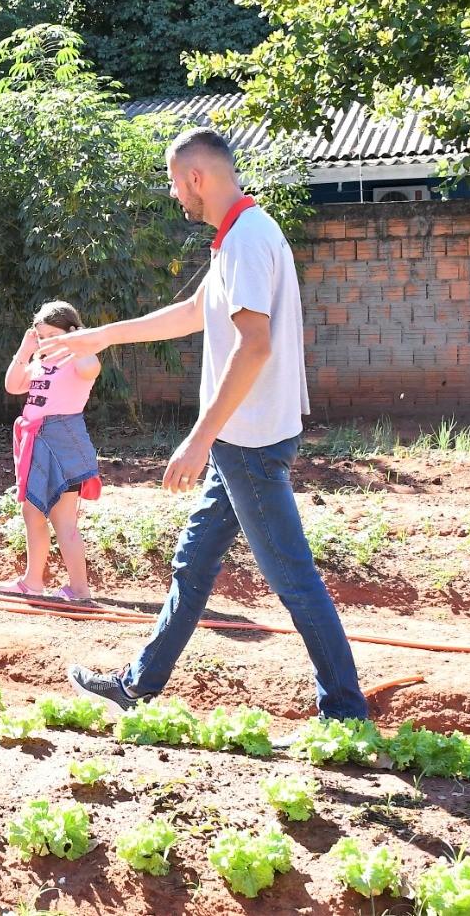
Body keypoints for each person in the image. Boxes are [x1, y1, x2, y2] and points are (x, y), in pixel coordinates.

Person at [58, 127, 368, 721]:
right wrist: (101, 335)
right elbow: (193, 312)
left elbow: (254, 347)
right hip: (242, 440)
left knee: (293, 579)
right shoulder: (238, 237)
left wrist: (200, 437)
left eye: (176, 184)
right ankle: (139, 684)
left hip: (245, 443)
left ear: (196, 178)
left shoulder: (248, 238)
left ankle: (345, 712)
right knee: (194, 562)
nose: (176, 196)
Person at [0, 301, 102, 601]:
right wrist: (26, 347)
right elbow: (12, 385)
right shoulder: (41, 363)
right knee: (31, 510)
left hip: (64, 441)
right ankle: (33, 581)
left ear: (71, 332)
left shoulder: (79, 360)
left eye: (52, 336)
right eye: (42, 336)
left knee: (63, 518)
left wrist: (75, 341)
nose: (46, 343)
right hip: (37, 441)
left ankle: (80, 589)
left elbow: (90, 367)